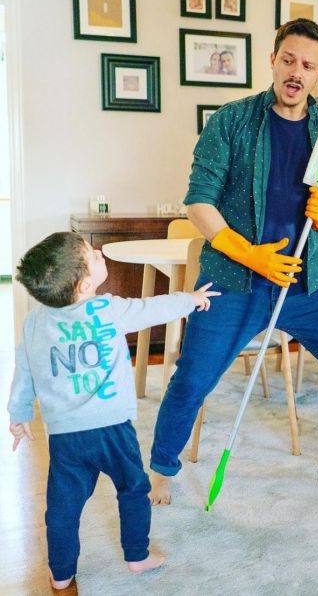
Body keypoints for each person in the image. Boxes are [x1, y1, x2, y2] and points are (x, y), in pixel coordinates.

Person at [149, 17, 318, 505]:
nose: (296, 72)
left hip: (305, 280)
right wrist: (249, 255)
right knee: (192, 378)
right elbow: (199, 202)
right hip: (234, 279)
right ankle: (159, 471)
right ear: (272, 61)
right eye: (288, 60)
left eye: (308, 65)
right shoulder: (231, 121)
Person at [7, 231, 219, 590]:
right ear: (85, 285)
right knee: (134, 488)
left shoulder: (33, 323)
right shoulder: (106, 310)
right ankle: (137, 555)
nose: (100, 252)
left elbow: (23, 371)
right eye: (92, 255)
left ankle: (61, 573)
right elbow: (153, 308)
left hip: (65, 436)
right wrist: (191, 299)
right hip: (113, 429)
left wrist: (19, 413)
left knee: (63, 506)